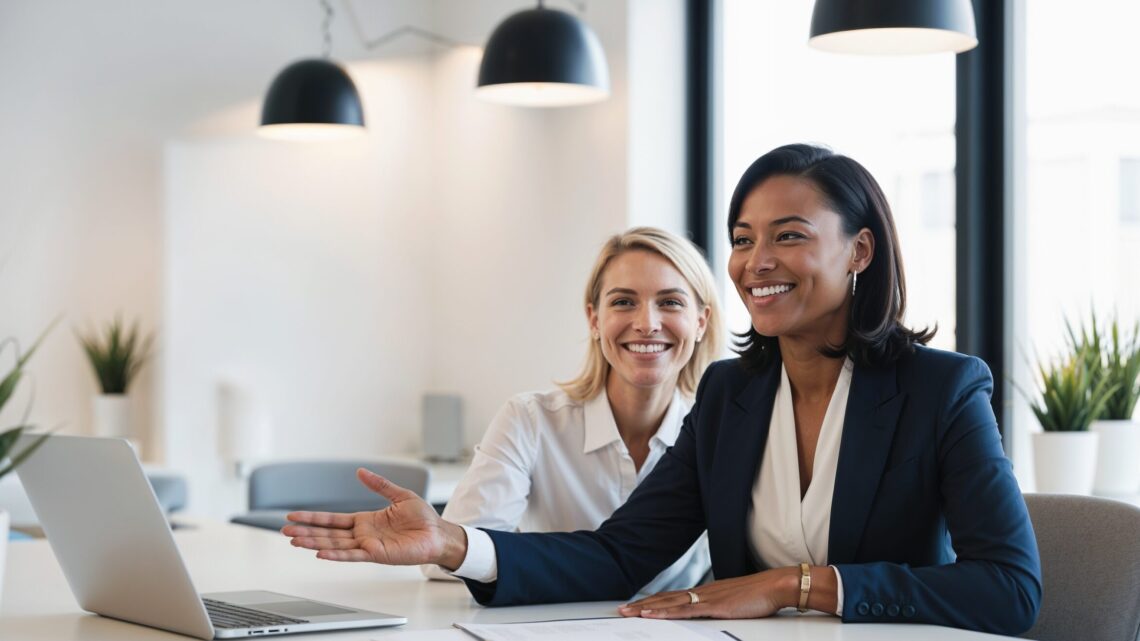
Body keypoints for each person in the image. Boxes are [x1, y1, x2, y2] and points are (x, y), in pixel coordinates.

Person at [283, 144, 1042, 636]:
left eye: (789, 234)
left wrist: (791, 585)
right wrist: (454, 542)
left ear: (860, 251)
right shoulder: (729, 395)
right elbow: (619, 554)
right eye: (743, 238)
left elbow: (1008, 588)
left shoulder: (942, 389)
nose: (756, 260)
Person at [420, 226, 722, 594]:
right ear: (594, 320)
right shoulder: (530, 421)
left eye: (670, 302)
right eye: (624, 302)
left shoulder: (720, 432)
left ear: (701, 321)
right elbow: (448, 562)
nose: (646, 324)